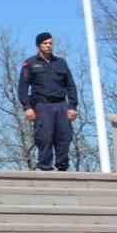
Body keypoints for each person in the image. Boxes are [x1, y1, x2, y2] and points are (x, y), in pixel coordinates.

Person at [17, 32, 79, 171]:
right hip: (41, 106)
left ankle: (62, 167)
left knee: (65, 137)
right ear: (39, 45)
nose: (48, 46)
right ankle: (45, 168)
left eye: (50, 43)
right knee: (44, 137)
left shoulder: (61, 63)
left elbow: (70, 85)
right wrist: (27, 107)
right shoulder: (30, 63)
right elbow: (23, 87)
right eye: (45, 43)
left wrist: (73, 106)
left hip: (61, 105)